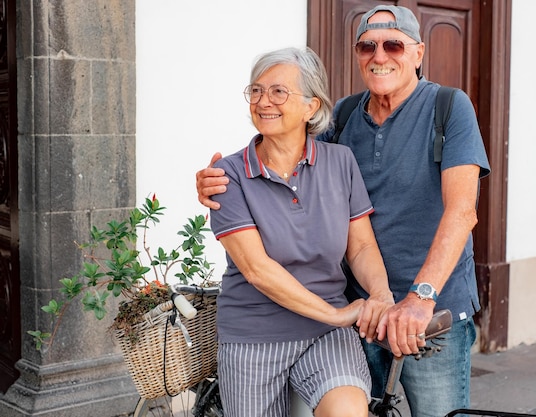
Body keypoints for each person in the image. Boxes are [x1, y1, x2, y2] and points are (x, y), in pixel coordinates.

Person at [197, 6, 491, 417]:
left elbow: (462, 211)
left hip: (428, 307)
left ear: (419, 52)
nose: (379, 55)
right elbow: (286, 140)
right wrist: (224, 177)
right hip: (362, 311)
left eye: (393, 44)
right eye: (367, 45)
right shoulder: (346, 118)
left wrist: (418, 298)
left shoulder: (449, 107)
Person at [208, 46, 395, 417]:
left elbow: (359, 247)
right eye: (257, 91)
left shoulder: (340, 162)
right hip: (254, 335)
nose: (264, 101)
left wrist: (381, 294)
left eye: (279, 91)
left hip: (326, 337)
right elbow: (257, 270)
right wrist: (338, 315)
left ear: (311, 107)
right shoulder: (227, 176)